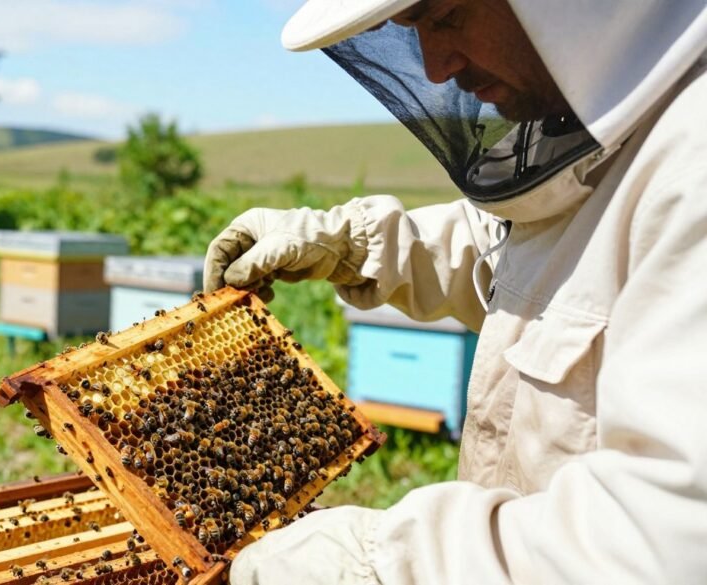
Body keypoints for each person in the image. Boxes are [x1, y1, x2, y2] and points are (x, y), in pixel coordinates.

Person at [203, 0, 707, 583]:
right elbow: (537, 262)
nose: (436, 68)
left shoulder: (692, 169)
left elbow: (665, 541)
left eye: (445, 17)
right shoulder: (613, 138)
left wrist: (374, 566)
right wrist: (353, 243)